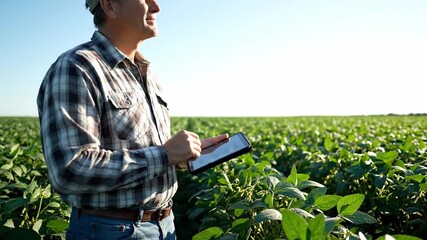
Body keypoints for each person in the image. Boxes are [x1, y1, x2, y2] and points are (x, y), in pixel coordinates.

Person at [36, 0, 228, 239]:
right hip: (110, 230)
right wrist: (164, 155)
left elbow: (141, 149)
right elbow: (71, 169)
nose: (157, 7)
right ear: (109, 6)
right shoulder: (77, 67)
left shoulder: (147, 73)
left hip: (165, 225)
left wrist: (181, 157)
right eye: (145, 0)